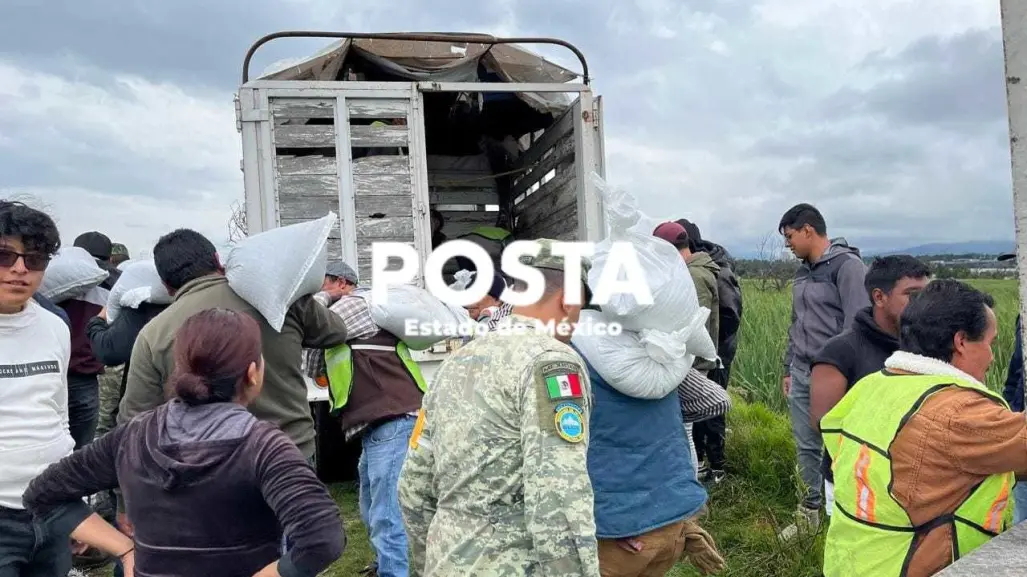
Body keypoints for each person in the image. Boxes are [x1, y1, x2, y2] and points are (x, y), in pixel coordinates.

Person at [24, 308, 345, 577]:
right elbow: (322, 538)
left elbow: (42, 493)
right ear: (253, 373)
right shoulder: (265, 448)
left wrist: (124, 549)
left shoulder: (133, 436)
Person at [398, 239, 601, 576]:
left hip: (446, 561)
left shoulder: (455, 363)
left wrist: (427, 563)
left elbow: (414, 488)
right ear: (569, 301)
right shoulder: (552, 361)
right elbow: (559, 493)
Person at [821, 279, 1027, 575]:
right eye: (989, 344)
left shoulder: (872, 386)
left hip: (855, 561)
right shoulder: (954, 412)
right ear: (961, 342)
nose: (993, 357)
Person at [118, 229, 349, 482]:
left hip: (208, 467)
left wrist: (125, 500)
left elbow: (135, 422)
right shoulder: (275, 297)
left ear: (166, 285)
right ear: (218, 261)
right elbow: (335, 332)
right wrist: (299, 298)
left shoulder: (153, 334)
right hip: (290, 450)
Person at [0, 200, 120, 577]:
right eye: (5, 255)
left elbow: (58, 415)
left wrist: (76, 502)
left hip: (53, 510)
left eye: (34, 259)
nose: (20, 269)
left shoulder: (55, 325)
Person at [573, 318, 725, 571]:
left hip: (616, 534)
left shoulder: (569, 356)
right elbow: (716, 401)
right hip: (673, 518)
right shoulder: (658, 350)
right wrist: (659, 411)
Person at [308, 260, 426, 577]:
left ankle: (393, 572)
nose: (317, 292)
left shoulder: (355, 304)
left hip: (393, 417)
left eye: (322, 284)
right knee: (370, 503)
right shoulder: (350, 314)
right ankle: (382, 565)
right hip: (381, 423)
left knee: (387, 512)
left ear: (342, 283)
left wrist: (321, 300)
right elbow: (313, 365)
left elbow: (314, 329)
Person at [807, 255, 930, 520]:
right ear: (879, 297)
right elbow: (824, 423)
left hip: (916, 487)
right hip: (856, 487)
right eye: (911, 294)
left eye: (926, 295)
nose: (922, 305)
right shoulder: (840, 351)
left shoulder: (927, 348)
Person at [778, 203, 868, 535]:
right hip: (802, 370)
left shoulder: (847, 267)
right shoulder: (804, 272)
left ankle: (845, 514)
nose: (788, 244)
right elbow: (796, 323)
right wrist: (788, 367)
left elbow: (858, 326)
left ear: (808, 230)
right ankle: (808, 515)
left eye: (790, 236)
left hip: (832, 374)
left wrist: (846, 374)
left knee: (840, 444)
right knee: (805, 444)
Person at [654, 221, 725, 484]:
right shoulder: (692, 271)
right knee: (687, 429)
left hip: (692, 365)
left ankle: (689, 484)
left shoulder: (694, 277)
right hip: (691, 363)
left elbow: (695, 328)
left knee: (685, 428)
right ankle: (691, 479)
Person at [58, 231, 121, 450]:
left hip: (52, 372)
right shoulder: (114, 283)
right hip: (86, 375)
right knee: (82, 446)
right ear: (109, 258)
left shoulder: (54, 277)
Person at [675, 219, 743, 389]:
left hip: (717, 355)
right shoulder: (696, 267)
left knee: (712, 405)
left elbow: (730, 316)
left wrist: (711, 349)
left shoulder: (715, 270)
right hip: (704, 354)